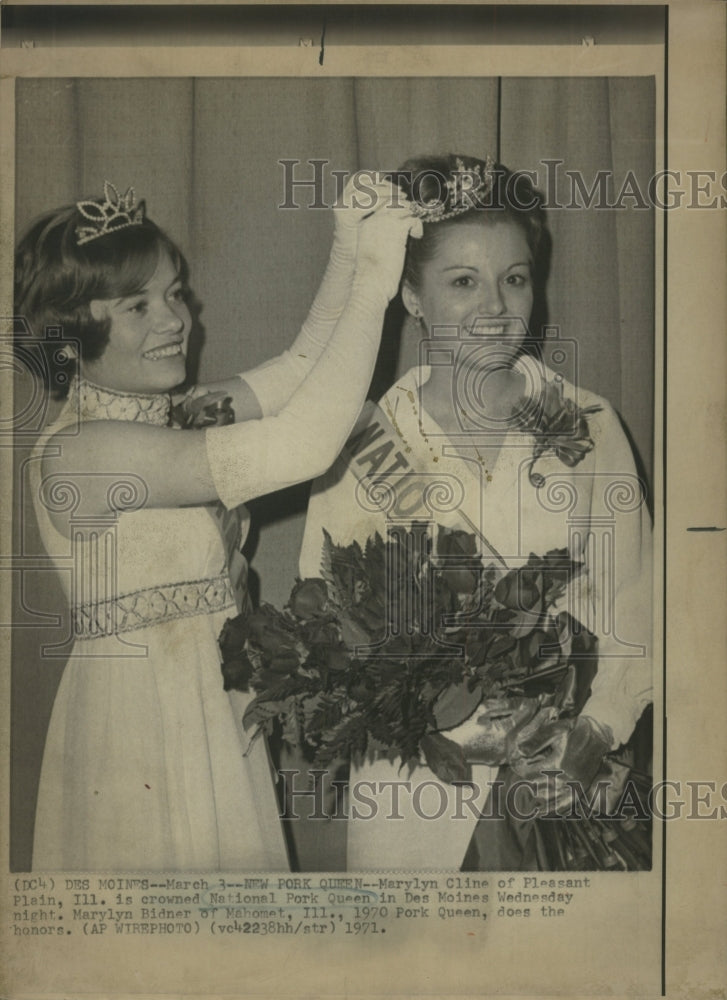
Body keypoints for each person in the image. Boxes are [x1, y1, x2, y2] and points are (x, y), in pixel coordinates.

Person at [17, 177, 421, 870]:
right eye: (136, 305)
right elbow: (305, 442)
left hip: (208, 702)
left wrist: (349, 247)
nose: (173, 319)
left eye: (174, 292)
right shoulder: (80, 451)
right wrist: (375, 286)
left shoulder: (168, 417)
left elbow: (299, 368)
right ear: (73, 333)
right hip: (135, 725)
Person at [299, 153, 653, 870]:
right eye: (462, 282)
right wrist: (445, 726)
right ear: (410, 294)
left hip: (562, 788)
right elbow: (325, 632)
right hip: (413, 798)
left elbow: (638, 603)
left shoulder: (585, 423)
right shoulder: (360, 441)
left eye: (513, 279)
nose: (495, 308)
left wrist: (593, 732)